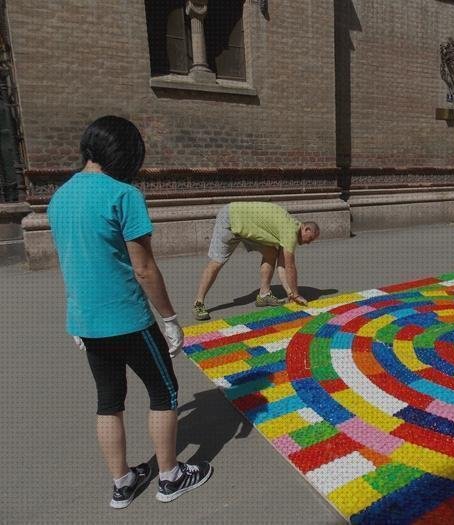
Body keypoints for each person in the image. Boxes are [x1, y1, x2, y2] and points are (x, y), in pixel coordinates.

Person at [47, 116, 212, 509]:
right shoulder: (123, 194)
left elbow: (72, 261)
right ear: (125, 154)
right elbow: (144, 268)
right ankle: (170, 477)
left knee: (109, 400)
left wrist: (76, 314)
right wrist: (170, 319)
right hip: (129, 319)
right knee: (164, 391)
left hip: (86, 320)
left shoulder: (58, 198)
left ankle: (122, 484)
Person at [192, 201, 320, 321]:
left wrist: (290, 293)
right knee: (217, 262)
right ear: (306, 229)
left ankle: (264, 295)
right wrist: (296, 295)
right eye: (310, 238)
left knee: (271, 252)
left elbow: (282, 267)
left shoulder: (290, 229)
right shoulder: (290, 232)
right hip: (230, 219)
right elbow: (290, 267)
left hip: (247, 226)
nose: (309, 243)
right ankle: (198, 302)